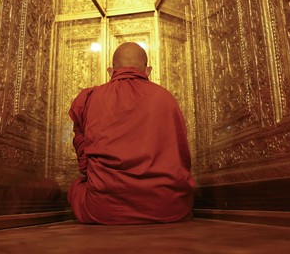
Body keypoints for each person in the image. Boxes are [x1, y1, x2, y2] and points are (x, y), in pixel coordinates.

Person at [67, 42, 195, 224]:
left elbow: (84, 162)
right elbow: (182, 157)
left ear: (111, 71)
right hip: (167, 207)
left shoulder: (90, 97)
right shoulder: (165, 97)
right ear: (148, 70)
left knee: (76, 188)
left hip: (103, 209)